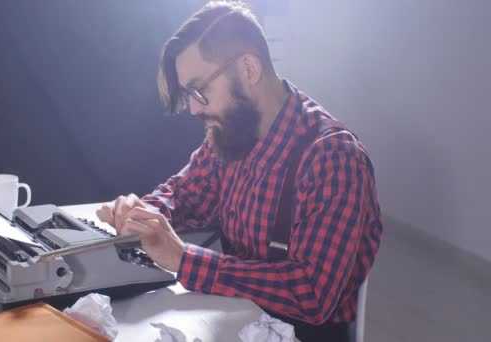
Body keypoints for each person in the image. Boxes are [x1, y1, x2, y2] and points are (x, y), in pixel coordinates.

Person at [96, 2, 382, 341]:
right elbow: (184, 193)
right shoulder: (231, 134)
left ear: (248, 69)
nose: (194, 108)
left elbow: (312, 294)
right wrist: (144, 214)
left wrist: (184, 258)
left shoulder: (334, 157)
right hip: (237, 322)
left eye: (200, 91)